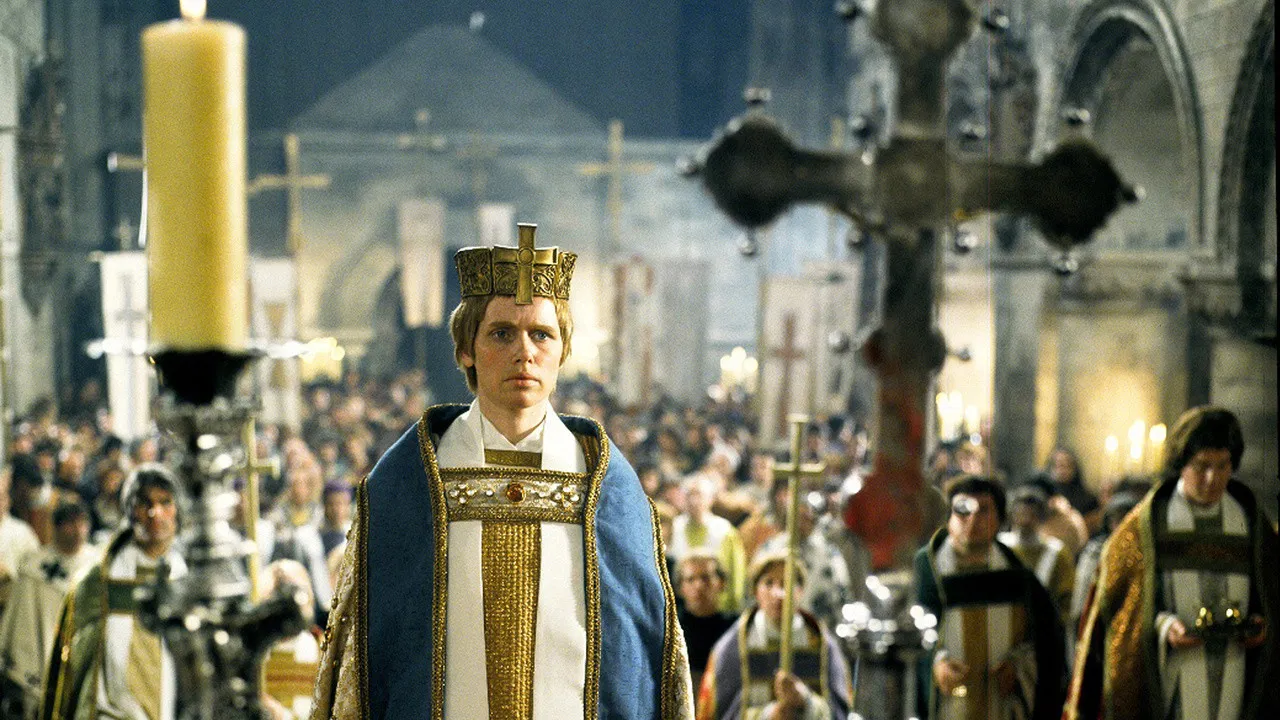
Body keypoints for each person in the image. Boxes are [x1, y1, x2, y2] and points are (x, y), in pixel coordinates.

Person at [312, 224, 693, 719]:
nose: (524, 351)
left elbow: (640, 663)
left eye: (542, 334)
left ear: (563, 351)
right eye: (501, 333)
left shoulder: (608, 489)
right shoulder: (408, 485)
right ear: (465, 349)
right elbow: (369, 661)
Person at [1065, 406, 1279, 720]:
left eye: (1223, 466)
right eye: (1202, 466)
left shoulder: (1251, 522)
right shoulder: (1147, 526)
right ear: (1182, 463)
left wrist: (1262, 625)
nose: (1212, 479)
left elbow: (1272, 595)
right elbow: (1120, 616)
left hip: (1236, 673)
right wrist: (1164, 627)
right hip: (1172, 677)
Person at [41, 464, 185, 720]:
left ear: (178, 510)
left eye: (165, 502)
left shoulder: (189, 582)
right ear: (129, 510)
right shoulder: (96, 582)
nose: (155, 513)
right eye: (144, 503)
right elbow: (69, 672)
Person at [915, 476, 1065, 720]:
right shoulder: (926, 571)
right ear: (949, 517)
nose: (973, 520)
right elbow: (909, 639)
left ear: (1000, 519)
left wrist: (1020, 668)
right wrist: (935, 666)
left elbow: (1047, 642)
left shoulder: (1016, 575)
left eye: (984, 510)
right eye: (963, 509)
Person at [697, 551, 854, 720]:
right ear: (756, 591)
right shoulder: (732, 649)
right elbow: (720, 713)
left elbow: (839, 711)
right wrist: (767, 715)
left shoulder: (821, 645)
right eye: (768, 583)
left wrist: (805, 701)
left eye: (787, 583)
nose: (778, 594)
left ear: (800, 591)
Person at [0, 501, 98, 717]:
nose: (78, 531)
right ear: (56, 527)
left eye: (82, 524)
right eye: (70, 524)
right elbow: (21, 619)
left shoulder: (96, 566)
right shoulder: (34, 565)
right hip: (34, 659)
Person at [670, 472, 749, 612]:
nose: (694, 501)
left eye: (699, 495)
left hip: (718, 612)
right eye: (689, 495)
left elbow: (736, 577)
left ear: (711, 499)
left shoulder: (725, 531)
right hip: (679, 612)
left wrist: (730, 610)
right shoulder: (673, 528)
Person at [997, 484, 1075, 625]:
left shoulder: (1056, 552)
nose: (1025, 520)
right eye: (1021, 514)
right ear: (1011, 515)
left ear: (1041, 517)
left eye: (1031, 515)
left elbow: (1067, 599)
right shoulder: (999, 547)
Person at [676, 550, 736, 693]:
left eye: (706, 578)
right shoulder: (670, 628)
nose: (699, 585)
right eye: (690, 579)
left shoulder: (735, 628)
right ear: (680, 588)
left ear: (721, 583)